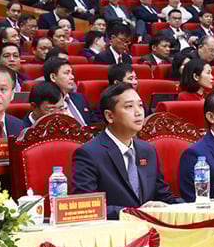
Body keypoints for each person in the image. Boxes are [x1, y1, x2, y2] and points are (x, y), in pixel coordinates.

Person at [71, 83, 182, 218]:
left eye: (140, 105)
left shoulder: (147, 150)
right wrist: (132, 213)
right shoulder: (90, 153)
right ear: (109, 116)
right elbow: (87, 206)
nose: (138, 112)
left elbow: (163, 196)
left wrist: (200, 205)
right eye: (129, 106)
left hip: (150, 229)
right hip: (114, 232)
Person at [45, 56, 96, 125]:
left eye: (72, 73)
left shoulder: (80, 98)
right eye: (66, 73)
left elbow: (95, 124)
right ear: (53, 77)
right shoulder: (46, 103)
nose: (72, 77)